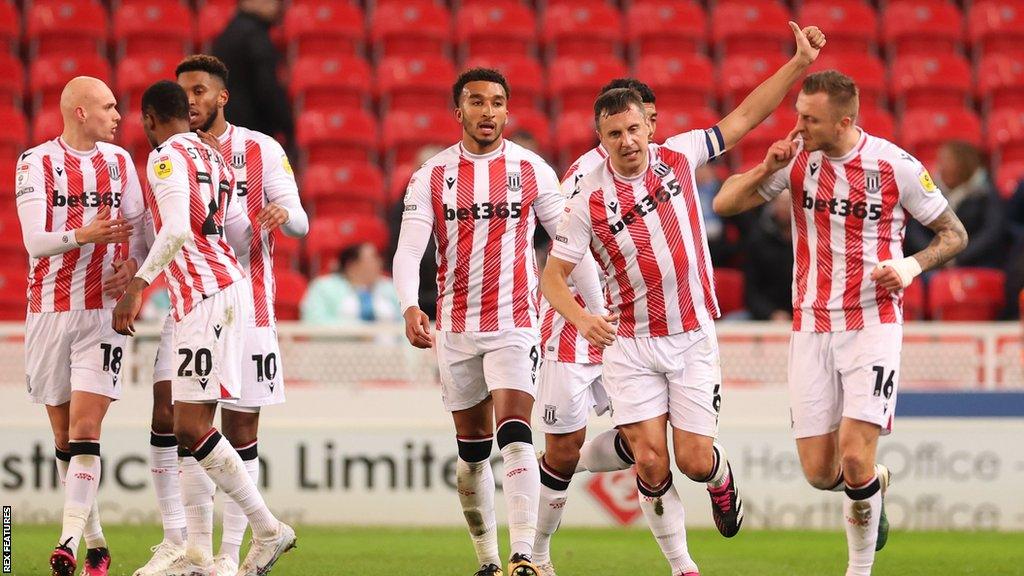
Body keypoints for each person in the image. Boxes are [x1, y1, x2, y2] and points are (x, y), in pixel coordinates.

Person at [542, 22, 826, 576]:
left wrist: (797, 64)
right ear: (599, 139)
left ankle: (719, 479)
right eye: (612, 135)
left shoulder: (679, 156)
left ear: (648, 126)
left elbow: (744, 117)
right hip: (630, 343)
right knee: (649, 459)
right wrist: (582, 317)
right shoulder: (586, 201)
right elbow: (553, 279)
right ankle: (683, 566)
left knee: (693, 460)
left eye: (631, 129)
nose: (625, 142)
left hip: (693, 336)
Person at [713, 70, 968, 575]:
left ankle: (858, 568)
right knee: (819, 472)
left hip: (872, 323)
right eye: (798, 115)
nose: (798, 125)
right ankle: (873, 485)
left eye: (810, 119)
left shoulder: (895, 166)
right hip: (810, 327)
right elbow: (725, 203)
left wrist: (910, 266)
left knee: (853, 457)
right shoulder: (795, 159)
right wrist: (767, 166)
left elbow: (954, 233)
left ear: (844, 120)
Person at [392, 67, 604, 576]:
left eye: (497, 102)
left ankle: (524, 555)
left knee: (515, 434)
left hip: (516, 321)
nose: (488, 112)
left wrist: (595, 315)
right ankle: (487, 558)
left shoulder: (532, 169)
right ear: (458, 111)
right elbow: (409, 249)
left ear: (508, 111)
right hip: (456, 327)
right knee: (471, 452)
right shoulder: (433, 175)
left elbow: (573, 246)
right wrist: (407, 304)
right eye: (477, 102)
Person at [131, 55, 309, 576]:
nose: (191, 99)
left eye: (200, 90)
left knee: (234, 427)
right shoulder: (199, 155)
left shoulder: (258, 149)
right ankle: (189, 547)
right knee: (176, 418)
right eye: (183, 91)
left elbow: (297, 218)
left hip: (243, 303)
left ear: (221, 96)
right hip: (194, 297)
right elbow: (188, 223)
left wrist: (279, 216)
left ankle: (230, 552)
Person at [17, 76, 143, 576]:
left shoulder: (120, 162)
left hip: (101, 314)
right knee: (64, 437)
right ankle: (95, 543)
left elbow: (143, 229)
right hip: (49, 310)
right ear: (80, 112)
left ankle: (66, 541)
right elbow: (34, 242)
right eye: (109, 107)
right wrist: (82, 234)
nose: (118, 115)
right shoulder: (35, 162)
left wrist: (131, 270)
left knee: (87, 427)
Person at [905, 140, 1007, 269]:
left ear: (963, 164)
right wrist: (935, 255)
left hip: (975, 263)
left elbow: (991, 232)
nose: (941, 167)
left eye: (947, 161)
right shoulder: (929, 189)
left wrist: (958, 257)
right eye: (940, 161)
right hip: (932, 264)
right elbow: (914, 230)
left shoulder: (985, 192)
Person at [212, 0, 293, 152]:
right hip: (251, 131)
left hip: (225, 130)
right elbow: (267, 89)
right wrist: (286, 125)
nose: (276, 6)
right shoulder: (256, 37)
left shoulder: (226, 34)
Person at [301, 242, 401, 325]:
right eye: (373, 258)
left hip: (391, 347)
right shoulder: (323, 287)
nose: (380, 262)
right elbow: (313, 323)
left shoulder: (391, 287)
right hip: (337, 347)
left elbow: (406, 324)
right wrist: (361, 330)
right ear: (351, 265)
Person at [742, 190, 794, 322]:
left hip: (804, 314)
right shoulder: (758, 241)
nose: (784, 208)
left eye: (788, 203)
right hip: (765, 316)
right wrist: (771, 314)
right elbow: (751, 292)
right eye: (780, 203)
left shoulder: (810, 241)